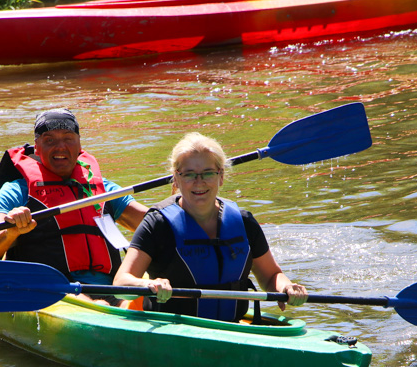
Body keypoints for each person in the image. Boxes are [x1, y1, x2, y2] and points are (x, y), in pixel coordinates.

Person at [113, 132, 308, 321]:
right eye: (189, 174)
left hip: (234, 328)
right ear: (177, 178)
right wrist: (149, 284)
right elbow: (121, 281)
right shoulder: (157, 224)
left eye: (207, 173)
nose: (199, 182)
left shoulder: (244, 223)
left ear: (221, 176)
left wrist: (286, 287)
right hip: (173, 331)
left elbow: (271, 276)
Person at [0, 109, 148, 305]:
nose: (60, 147)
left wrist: (178, 204)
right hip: (53, 292)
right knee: (99, 306)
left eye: (68, 139)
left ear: (79, 145)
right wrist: (10, 232)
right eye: (50, 140)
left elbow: (152, 225)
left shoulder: (105, 189)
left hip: (110, 289)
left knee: (140, 301)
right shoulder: (16, 191)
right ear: (37, 148)